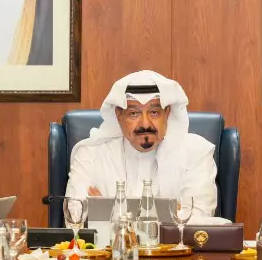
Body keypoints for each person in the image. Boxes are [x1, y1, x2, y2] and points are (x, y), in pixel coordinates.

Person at [64, 71, 218, 216]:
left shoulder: (196, 153)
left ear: (167, 113)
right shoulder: (91, 153)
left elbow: (199, 219)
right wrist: (170, 212)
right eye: (134, 113)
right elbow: (75, 216)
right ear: (119, 115)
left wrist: (108, 211)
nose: (145, 124)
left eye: (154, 112)